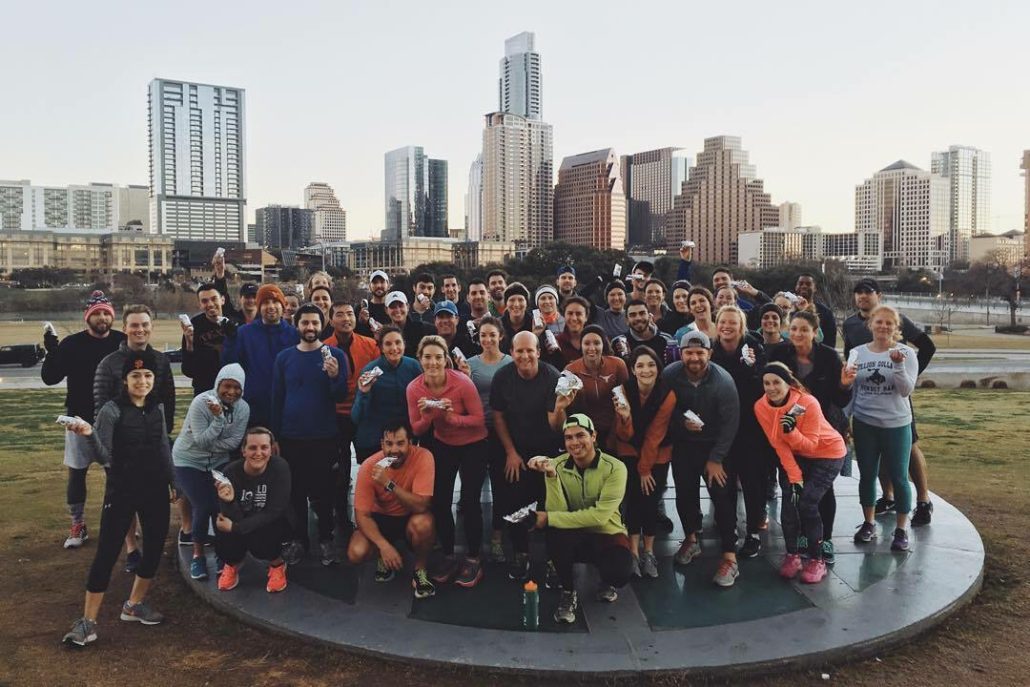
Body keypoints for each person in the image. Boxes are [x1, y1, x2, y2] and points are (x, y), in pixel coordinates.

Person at [61, 350, 176, 647]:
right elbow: (103, 456)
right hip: (122, 490)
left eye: (148, 375)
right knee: (107, 553)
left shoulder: (157, 408)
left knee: (153, 548)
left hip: (155, 489)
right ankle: (88, 622)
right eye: (136, 375)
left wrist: (175, 480)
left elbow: (164, 447)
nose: (142, 381)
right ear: (125, 380)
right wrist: (89, 433)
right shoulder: (111, 410)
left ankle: (134, 605)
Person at [842, 278, 936, 526]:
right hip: (867, 403)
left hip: (896, 396)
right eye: (858, 292)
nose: (863, 296)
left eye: (868, 292)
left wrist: (908, 373)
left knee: (910, 447)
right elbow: (849, 359)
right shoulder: (851, 323)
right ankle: (888, 496)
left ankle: (924, 500)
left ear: (879, 295)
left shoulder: (897, 317)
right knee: (876, 456)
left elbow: (927, 346)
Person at [526, 413, 634, 624]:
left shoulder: (616, 468)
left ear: (593, 436)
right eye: (568, 438)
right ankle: (568, 591)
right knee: (556, 534)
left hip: (607, 533)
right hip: (575, 535)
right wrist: (550, 476)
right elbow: (558, 509)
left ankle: (606, 580)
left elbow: (600, 516)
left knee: (619, 571)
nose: (574, 443)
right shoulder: (556, 464)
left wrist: (548, 518)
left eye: (580, 435)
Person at [93, 304, 176, 571]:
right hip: (120, 447)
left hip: (152, 442)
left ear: (151, 327)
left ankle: (152, 551)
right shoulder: (109, 363)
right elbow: (101, 405)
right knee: (122, 500)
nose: (139, 330)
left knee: (152, 498)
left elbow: (168, 400)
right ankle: (131, 548)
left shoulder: (162, 361)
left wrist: (162, 432)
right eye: (134, 325)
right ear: (125, 327)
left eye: (144, 325)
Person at [41, 290, 126, 549]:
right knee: (77, 475)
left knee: (116, 477)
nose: (102, 318)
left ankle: (115, 524)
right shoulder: (71, 344)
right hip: (78, 418)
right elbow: (50, 378)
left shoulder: (122, 343)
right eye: (97, 313)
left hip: (115, 422)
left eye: (106, 313)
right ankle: (78, 524)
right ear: (87, 317)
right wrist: (52, 351)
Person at [769, 310, 851, 563]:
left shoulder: (828, 356)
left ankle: (825, 539)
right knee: (797, 487)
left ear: (815, 332)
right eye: (793, 328)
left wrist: (845, 384)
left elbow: (840, 400)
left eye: (804, 329)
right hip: (792, 431)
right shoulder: (780, 354)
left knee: (823, 490)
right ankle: (805, 535)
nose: (797, 334)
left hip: (823, 429)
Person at [661, 330, 741, 587]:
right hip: (685, 445)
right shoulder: (670, 375)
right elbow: (662, 412)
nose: (694, 357)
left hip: (715, 446)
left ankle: (730, 556)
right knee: (685, 494)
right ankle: (691, 538)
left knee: (721, 494)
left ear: (709, 353)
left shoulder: (723, 381)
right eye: (689, 353)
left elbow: (731, 423)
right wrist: (680, 423)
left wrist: (717, 458)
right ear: (681, 353)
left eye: (699, 353)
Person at [407, 336, 488, 587]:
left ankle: (474, 557)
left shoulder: (462, 383)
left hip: (474, 443)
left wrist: (453, 418)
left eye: (438, 357)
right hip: (444, 444)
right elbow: (417, 429)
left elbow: (479, 419)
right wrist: (428, 417)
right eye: (427, 357)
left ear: (446, 360)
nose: (433, 362)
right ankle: (449, 554)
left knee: (471, 499)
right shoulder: (414, 388)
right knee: (441, 500)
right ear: (420, 360)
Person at [754, 363, 846, 584]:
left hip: (827, 453)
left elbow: (812, 445)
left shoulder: (806, 403)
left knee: (806, 503)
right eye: (767, 383)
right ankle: (793, 555)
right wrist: (794, 479)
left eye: (777, 382)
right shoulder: (761, 406)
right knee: (789, 503)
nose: (771, 388)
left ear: (789, 384)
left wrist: (792, 431)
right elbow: (778, 444)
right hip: (796, 456)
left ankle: (817, 559)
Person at [271, 304, 348, 566]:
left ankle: (326, 539)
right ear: (297, 325)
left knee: (324, 493)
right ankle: (299, 541)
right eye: (305, 323)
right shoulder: (284, 358)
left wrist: (335, 376)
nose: (310, 328)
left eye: (315, 323)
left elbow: (339, 396)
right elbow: (277, 399)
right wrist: (275, 438)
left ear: (322, 323)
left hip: (324, 436)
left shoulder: (335, 355)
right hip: (291, 437)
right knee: (294, 494)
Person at [842, 304, 919, 552]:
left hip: (896, 424)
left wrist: (896, 365)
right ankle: (868, 522)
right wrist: (846, 420)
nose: (883, 326)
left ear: (896, 328)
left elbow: (906, 390)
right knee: (867, 475)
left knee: (899, 476)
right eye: (879, 322)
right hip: (865, 423)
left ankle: (900, 529)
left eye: (889, 323)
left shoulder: (906, 353)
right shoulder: (857, 353)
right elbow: (852, 389)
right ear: (871, 324)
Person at [489, 330, 563, 581]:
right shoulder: (503, 377)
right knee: (515, 504)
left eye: (529, 350)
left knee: (551, 505)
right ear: (511, 353)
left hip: (548, 449)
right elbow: (497, 415)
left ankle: (555, 558)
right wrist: (510, 452)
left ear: (538, 352)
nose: (524, 355)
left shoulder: (552, 377)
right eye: (519, 350)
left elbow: (557, 425)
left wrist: (561, 409)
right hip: (516, 449)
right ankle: (521, 554)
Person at [172, 364, 250, 581]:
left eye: (237, 388)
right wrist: (218, 419)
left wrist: (214, 445)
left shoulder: (243, 408)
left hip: (218, 462)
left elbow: (235, 442)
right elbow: (201, 440)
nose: (231, 392)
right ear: (218, 384)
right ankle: (197, 555)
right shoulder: (202, 402)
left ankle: (220, 553)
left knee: (220, 506)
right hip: (188, 460)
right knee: (203, 506)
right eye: (227, 386)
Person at [347, 419, 437, 600]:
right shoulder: (369, 466)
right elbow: (362, 515)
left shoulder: (424, 457)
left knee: (424, 523)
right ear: (381, 444)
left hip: (409, 516)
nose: (394, 450)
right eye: (389, 444)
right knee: (356, 552)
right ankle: (383, 557)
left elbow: (422, 505)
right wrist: (384, 546)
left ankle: (420, 569)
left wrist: (388, 484)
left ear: (411, 442)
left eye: (400, 443)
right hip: (379, 518)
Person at [709, 305, 772, 559]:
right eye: (722, 322)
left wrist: (752, 369)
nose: (727, 326)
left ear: (741, 326)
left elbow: (764, 384)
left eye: (732, 323)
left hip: (750, 427)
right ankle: (730, 530)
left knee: (752, 482)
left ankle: (754, 533)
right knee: (725, 484)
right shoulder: (711, 350)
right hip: (722, 428)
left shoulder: (753, 348)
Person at [612, 346, 676, 578]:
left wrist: (645, 469)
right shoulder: (621, 391)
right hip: (629, 449)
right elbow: (623, 434)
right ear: (632, 369)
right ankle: (633, 552)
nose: (646, 370)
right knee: (633, 498)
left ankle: (648, 551)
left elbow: (655, 434)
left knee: (650, 499)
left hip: (657, 452)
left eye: (651, 365)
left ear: (658, 369)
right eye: (640, 365)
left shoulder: (668, 394)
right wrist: (626, 417)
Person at [214, 426, 293, 594]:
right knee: (221, 527)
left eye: (264, 447)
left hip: (266, 523)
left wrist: (237, 527)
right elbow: (226, 516)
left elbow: (275, 510)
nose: (258, 453)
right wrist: (229, 502)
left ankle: (277, 563)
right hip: (242, 518)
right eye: (252, 447)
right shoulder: (230, 472)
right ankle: (232, 563)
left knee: (266, 528)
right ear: (243, 451)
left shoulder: (280, 468)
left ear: (271, 450)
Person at [324, 303, 381, 530]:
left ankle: (376, 512)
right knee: (339, 469)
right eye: (339, 315)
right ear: (330, 320)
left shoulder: (369, 344)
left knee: (370, 463)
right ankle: (341, 517)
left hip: (363, 411)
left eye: (349, 314)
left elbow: (377, 374)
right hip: (336, 414)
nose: (345, 318)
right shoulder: (324, 348)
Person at [462, 317, 512, 562]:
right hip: (476, 432)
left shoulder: (510, 363)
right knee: (471, 488)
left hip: (502, 431)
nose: (488, 339)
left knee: (501, 488)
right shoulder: (469, 365)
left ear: (500, 336)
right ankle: (474, 539)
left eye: (492, 334)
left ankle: (496, 538)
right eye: (483, 335)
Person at [221, 284, 299, 428]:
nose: (271, 306)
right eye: (265, 303)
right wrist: (230, 341)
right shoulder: (244, 333)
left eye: (275, 302)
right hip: (253, 407)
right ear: (259, 307)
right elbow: (230, 366)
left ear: (282, 305)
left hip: (287, 406)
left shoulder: (294, 335)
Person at [351, 326, 423, 463]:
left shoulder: (413, 367)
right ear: (381, 348)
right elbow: (356, 417)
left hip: (404, 439)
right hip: (375, 440)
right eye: (388, 344)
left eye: (398, 342)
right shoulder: (370, 371)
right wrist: (363, 393)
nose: (394, 348)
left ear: (404, 344)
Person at [563, 325, 629, 447]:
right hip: (585, 431)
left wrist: (613, 436)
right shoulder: (571, 370)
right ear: (581, 346)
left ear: (603, 344)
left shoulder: (618, 365)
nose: (592, 348)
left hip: (615, 428)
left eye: (597, 343)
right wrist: (588, 436)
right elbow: (571, 410)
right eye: (587, 343)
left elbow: (625, 402)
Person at [181, 282, 235, 397]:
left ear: (223, 300)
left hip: (233, 390)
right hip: (205, 391)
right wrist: (189, 344)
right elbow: (188, 370)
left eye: (214, 299)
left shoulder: (234, 323)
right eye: (204, 301)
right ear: (200, 305)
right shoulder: (194, 326)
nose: (210, 304)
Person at [617, 300, 674, 366]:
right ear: (626, 321)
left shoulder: (666, 339)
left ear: (649, 317)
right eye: (633, 315)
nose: (638, 318)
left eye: (642, 313)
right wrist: (626, 358)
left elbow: (672, 370)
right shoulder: (619, 343)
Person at [384, 290, 436, 356]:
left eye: (401, 306)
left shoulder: (423, 329)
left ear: (408, 307)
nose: (397, 310)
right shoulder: (385, 334)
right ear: (386, 310)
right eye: (393, 307)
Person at [795, 273, 837, 349]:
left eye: (808, 284)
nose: (804, 286)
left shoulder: (825, 312)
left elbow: (830, 341)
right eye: (800, 284)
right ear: (796, 287)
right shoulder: (789, 310)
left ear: (815, 288)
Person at [553, 296, 590, 365]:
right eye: (570, 313)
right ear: (564, 316)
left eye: (578, 314)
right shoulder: (557, 343)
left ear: (586, 318)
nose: (574, 318)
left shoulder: (596, 340)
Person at [498, 282, 533, 352]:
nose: (516, 304)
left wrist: (535, 334)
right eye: (512, 300)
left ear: (527, 303)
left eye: (520, 300)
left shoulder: (535, 324)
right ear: (506, 304)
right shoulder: (497, 325)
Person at [356, 269, 391, 336]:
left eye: (382, 282)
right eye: (375, 282)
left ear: (388, 285)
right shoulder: (361, 308)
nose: (379, 285)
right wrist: (361, 323)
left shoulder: (393, 308)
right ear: (369, 286)